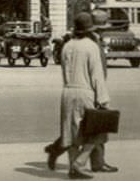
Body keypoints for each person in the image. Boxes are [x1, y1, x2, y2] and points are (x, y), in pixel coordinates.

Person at [45, 10, 115, 174]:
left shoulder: (67, 46)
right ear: (90, 30)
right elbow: (96, 75)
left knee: (71, 132)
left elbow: (64, 70)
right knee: (97, 131)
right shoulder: (91, 47)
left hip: (68, 91)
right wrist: (103, 99)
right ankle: (80, 162)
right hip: (86, 91)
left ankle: (73, 168)